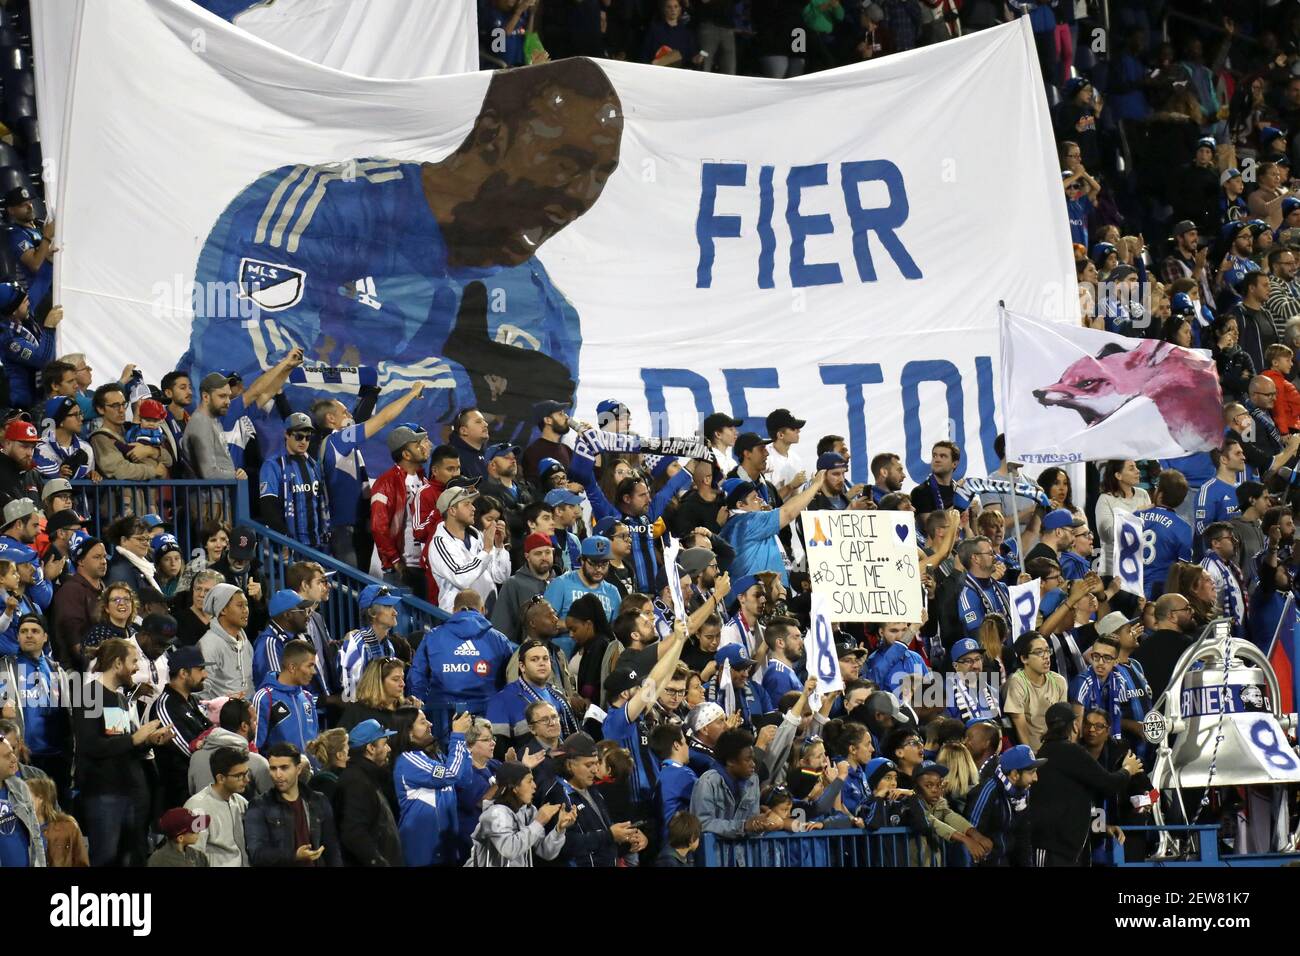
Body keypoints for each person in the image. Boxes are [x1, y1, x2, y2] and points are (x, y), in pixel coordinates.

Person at [74, 639, 171, 867]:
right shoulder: (90, 695)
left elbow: (122, 745)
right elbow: (91, 745)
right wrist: (135, 738)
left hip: (129, 791)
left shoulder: (120, 698)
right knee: (105, 859)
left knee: (130, 858)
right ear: (118, 663)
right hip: (103, 793)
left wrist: (149, 742)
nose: (137, 668)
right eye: (134, 661)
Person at [311, 381, 426, 566]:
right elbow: (383, 419)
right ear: (331, 418)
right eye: (345, 412)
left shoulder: (340, 443)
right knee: (353, 587)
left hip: (356, 527)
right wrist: (412, 393)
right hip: (346, 530)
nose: (349, 415)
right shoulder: (337, 440)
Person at [1031, 702, 1142, 866]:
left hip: (1067, 847)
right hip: (1056, 848)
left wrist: (1104, 826)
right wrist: (1127, 770)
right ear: (1075, 726)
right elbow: (1108, 784)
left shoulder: (1046, 750)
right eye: (1088, 725)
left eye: (1099, 726)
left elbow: (1072, 801)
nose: (1092, 730)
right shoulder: (1071, 751)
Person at [408, 589, 514, 740]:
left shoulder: (433, 636)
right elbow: (509, 681)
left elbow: (417, 677)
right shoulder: (499, 640)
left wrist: (417, 706)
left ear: (454, 610)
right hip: (488, 723)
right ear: (483, 610)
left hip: (442, 722)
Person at [544, 730, 644, 866]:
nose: (595, 769)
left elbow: (605, 838)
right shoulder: (558, 796)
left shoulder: (593, 789)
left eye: (596, 763)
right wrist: (610, 835)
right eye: (588, 765)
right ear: (569, 765)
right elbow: (565, 845)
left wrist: (629, 838)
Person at [391, 706, 474, 866]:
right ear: (408, 731)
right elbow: (451, 774)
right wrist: (456, 736)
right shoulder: (408, 761)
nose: (430, 724)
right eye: (423, 722)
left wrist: (462, 742)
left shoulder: (434, 756)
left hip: (445, 847)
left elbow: (464, 779)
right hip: (423, 851)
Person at [719, 468, 827, 584]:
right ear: (740, 505)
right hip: (762, 596)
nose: (761, 500)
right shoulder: (748, 522)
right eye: (754, 498)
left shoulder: (731, 526)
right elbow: (787, 513)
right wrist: (816, 485)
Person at [244, 742, 342, 866]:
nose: (278, 775)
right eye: (273, 768)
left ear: (298, 769)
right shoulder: (259, 806)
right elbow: (257, 854)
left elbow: (332, 849)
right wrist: (294, 855)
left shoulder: (318, 801)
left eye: (284, 768)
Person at [465, 760, 569, 866]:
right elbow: (509, 850)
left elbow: (546, 852)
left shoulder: (529, 811)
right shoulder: (495, 814)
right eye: (529, 781)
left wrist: (559, 830)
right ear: (514, 787)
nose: (534, 786)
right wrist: (539, 822)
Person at [426, 483, 510, 613]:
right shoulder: (441, 544)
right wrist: (486, 550)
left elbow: (500, 576)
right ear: (452, 511)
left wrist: (499, 547)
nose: (473, 508)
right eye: (466, 504)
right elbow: (461, 578)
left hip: (486, 612)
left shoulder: (476, 535)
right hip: (459, 616)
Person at [146, 645, 213, 809]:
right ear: (183, 673)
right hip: (178, 796)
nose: (205, 674)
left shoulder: (192, 701)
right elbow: (188, 750)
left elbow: (210, 732)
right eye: (200, 669)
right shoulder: (165, 705)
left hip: (197, 787)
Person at [370, 423, 432, 597]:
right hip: (403, 570)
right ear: (406, 453)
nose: (428, 445)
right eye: (422, 442)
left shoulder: (426, 480)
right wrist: (396, 562)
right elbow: (378, 527)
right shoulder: (385, 482)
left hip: (427, 566)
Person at [488, 637, 579, 750]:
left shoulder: (558, 695)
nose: (541, 663)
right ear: (522, 666)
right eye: (534, 659)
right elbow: (498, 750)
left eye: (545, 659)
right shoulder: (502, 700)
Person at [333, 718, 402, 866]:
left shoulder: (367, 776)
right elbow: (354, 833)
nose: (389, 749)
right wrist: (378, 863)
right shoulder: (356, 782)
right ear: (371, 748)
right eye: (385, 743)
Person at [258, 411, 330, 550]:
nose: (303, 441)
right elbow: (269, 508)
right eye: (299, 436)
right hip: (289, 546)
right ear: (286, 434)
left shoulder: (314, 466)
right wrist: (284, 539)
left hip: (316, 545)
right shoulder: (272, 465)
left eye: (308, 438)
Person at [690, 727, 775, 840]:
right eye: (747, 759)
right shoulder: (708, 782)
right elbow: (702, 824)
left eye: (753, 759)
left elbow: (751, 824)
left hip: (742, 855)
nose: (753, 764)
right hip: (714, 855)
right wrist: (742, 826)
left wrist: (759, 824)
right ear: (730, 761)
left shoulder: (753, 780)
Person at [966, 744, 1043, 867]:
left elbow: (1022, 838)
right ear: (1014, 774)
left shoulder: (1022, 793)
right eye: (1031, 772)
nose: (1035, 778)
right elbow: (970, 834)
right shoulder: (988, 791)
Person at [189, 697, 273, 797]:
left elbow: (192, 794)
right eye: (254, 721)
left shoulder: (196, 758)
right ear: (244, 726)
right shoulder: (257, 763)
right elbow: (272, 803)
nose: (256, 724)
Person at [184, 746, 250, 867]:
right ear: (221, 778)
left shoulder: (241, 802)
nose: (247, 780)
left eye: (246, 773)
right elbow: (192, 855)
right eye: (239, 776)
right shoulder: (198, 808)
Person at [252, 640, 320, 753]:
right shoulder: (264, 698)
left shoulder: (308, 697)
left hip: (309, 770)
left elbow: (315, 743)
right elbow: (255, 747)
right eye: (310, 666)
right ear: (292, 667)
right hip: (279, 769)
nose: (314, 672)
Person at [338, 584, 403, 703]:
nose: (395, 612)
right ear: (372, 613)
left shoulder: (389, 646)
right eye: (388, 607)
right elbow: (349, 694)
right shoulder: (356, 645)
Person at [1003, 631, 1067, 750]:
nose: (1046, 656)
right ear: (1024, 658)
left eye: (1047, 650)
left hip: (1056, 750)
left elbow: (1063, 723)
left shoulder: (1058, 681)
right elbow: (1020, 727)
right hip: (1034, 753)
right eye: (1039, 652)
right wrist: (1030, 760)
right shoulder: (1017, 682)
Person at [1131, 593, 1198, 705]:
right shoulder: (1190, 647)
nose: (1192, 612)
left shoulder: (1140, 650)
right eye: (1187, 609)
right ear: (1172, 616)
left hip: (1154, 717)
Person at [491, 532, 555, 641]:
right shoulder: (513, 584)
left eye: (547, 552)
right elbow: (501, 629)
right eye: (538, 553)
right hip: (527, 653)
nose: (544, 557)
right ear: (527, 556)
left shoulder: (561, 581)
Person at [1095, 461, 1153, 578]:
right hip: (1113, 572)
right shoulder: (1105, 499)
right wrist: (1135, 514)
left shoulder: (1143, 494)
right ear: (1118, 475)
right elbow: (1108, 535)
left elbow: (1148, 528)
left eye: (1136, 467)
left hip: (1138, 569)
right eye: (1132, 468)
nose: (1138, 471)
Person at [197, 583, 254, 700]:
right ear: (222, 610)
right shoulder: (208, 644)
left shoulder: (245, 643)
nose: (246, 610)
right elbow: (201, 691)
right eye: (240, 605)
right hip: (219, 716)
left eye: (246, 605)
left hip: (246, 713)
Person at [252, 589, 314, 690]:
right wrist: (325, 701)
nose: (307, 616)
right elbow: (276, 690)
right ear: (288, 615)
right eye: (302, 610)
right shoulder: (269, 643)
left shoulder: (300, 637)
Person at [0, 734, 44, 867]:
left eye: (12, 753)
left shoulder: (20, 787)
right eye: (7, 756)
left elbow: (36, 837)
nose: (14, 758)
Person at [1200, 521, 1248, 637]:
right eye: (1231, 538)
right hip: (1220, 634)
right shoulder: (1208, 567)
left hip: (1236, 632)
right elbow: (1205, 606)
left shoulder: (1230, 567)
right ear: (1216, 543)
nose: (1236, 542)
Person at [147, 807, 212, 868]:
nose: (199, 831)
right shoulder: (158, 860)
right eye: (194, 830)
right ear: (180, 838)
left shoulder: (199, 857)